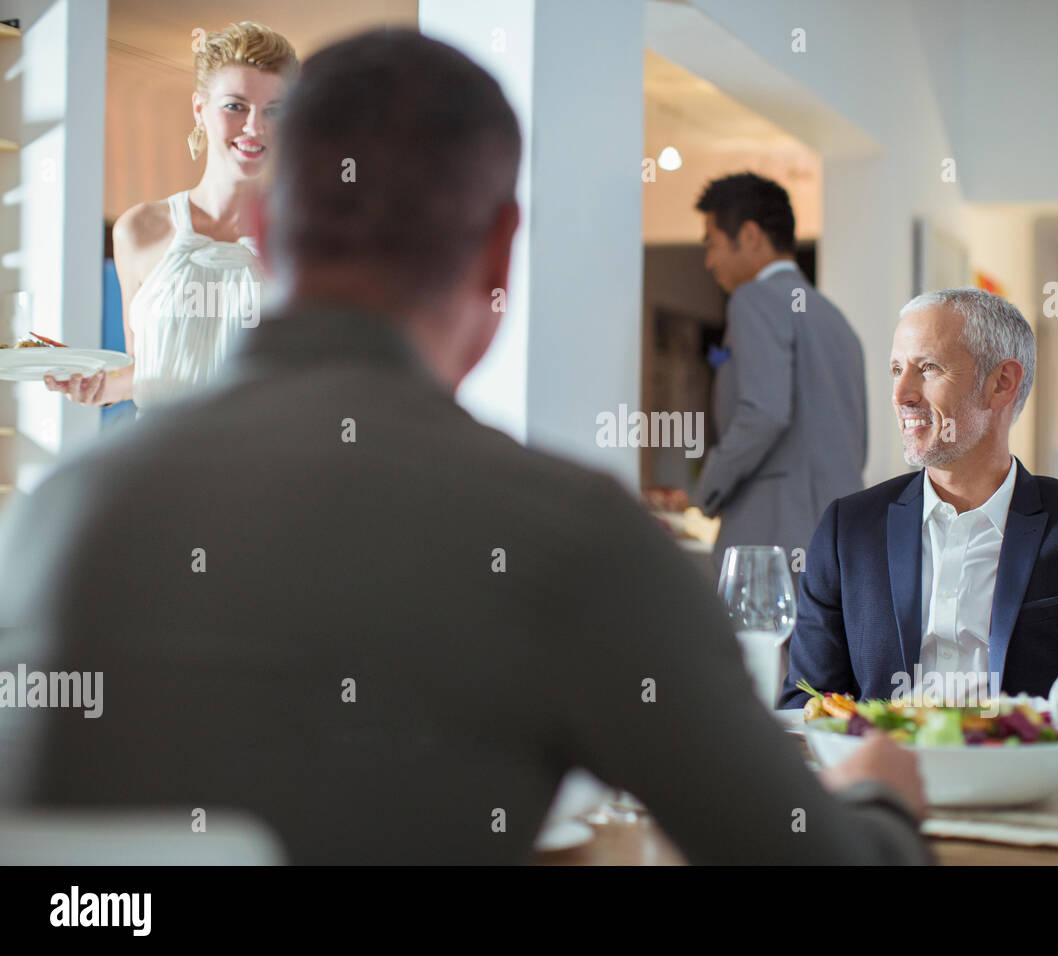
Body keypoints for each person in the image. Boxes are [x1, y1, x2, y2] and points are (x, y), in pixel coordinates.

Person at [0, 30, 928, 865]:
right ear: (499, 256)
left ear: (266, 232)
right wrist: (885, 792)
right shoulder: (569, 537)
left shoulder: (54, 517)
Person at [779, 288, 1058, 717]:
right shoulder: (848, 530)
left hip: (1021, 782)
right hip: (881, 781)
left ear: (1001, 384)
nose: (901, 394)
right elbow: (807, 706)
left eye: (928, 368)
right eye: (896, 369)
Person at [44, 21, 297, 413]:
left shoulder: (304, 236)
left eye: (274, 110)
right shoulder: (140, 231)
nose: (254, 126)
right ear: (200, 109)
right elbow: (144, 368)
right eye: (235, 106)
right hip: (158, 469)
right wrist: (98, 386)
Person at [692, 173, 867, 576]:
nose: (709, 261)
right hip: (840, 544)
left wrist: (707, 489)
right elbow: (858, 443)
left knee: (761, 641)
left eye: (712, 244)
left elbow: (765, 413)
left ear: (750, 235)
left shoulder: (753, 298)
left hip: (771, 542)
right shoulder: (837, 322)